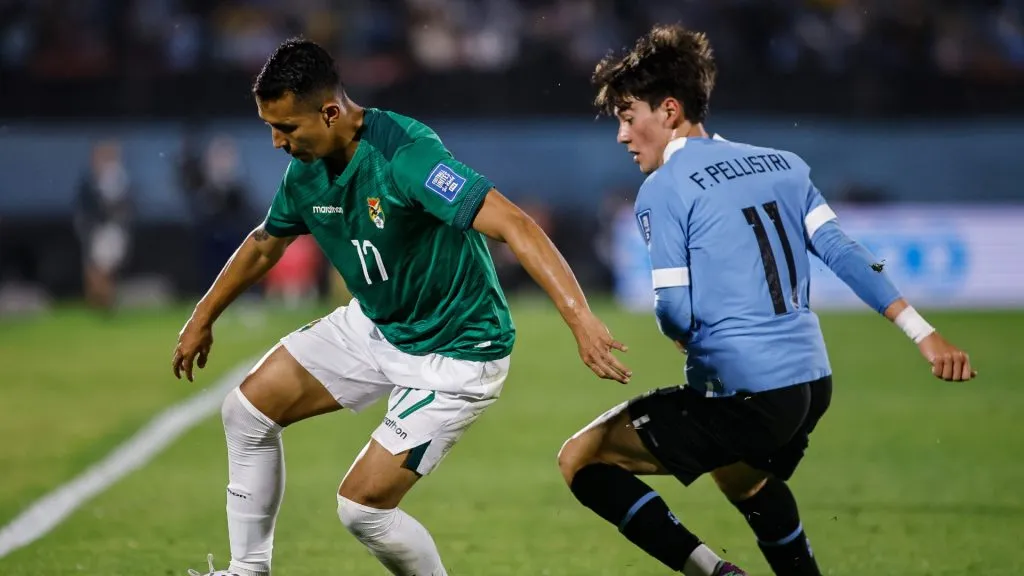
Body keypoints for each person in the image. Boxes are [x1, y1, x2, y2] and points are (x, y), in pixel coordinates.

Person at [173, 37, 630, 576]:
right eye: (270, 127)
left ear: (330, 112)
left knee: (362, 510)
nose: (276, 142)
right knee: (246, 413)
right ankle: (249, 571)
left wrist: (580, 318)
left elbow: (514, 224)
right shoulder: (307, 169)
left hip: (457, 351)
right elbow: (264, 244)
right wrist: (202, 316)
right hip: (378, 325)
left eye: (287, 127)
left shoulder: (407, 156)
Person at [556, 24, 976, 576]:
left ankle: (716, 573)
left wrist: (686, 337)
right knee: (743, 478)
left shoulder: (664, 188)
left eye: (629, 117)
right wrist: (923, 333)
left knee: (581, 459)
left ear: (670, 110)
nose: (622, 136)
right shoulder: (784, 164)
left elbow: (673, 310)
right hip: (811, 383)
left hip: (746, 391)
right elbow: (845, 252)